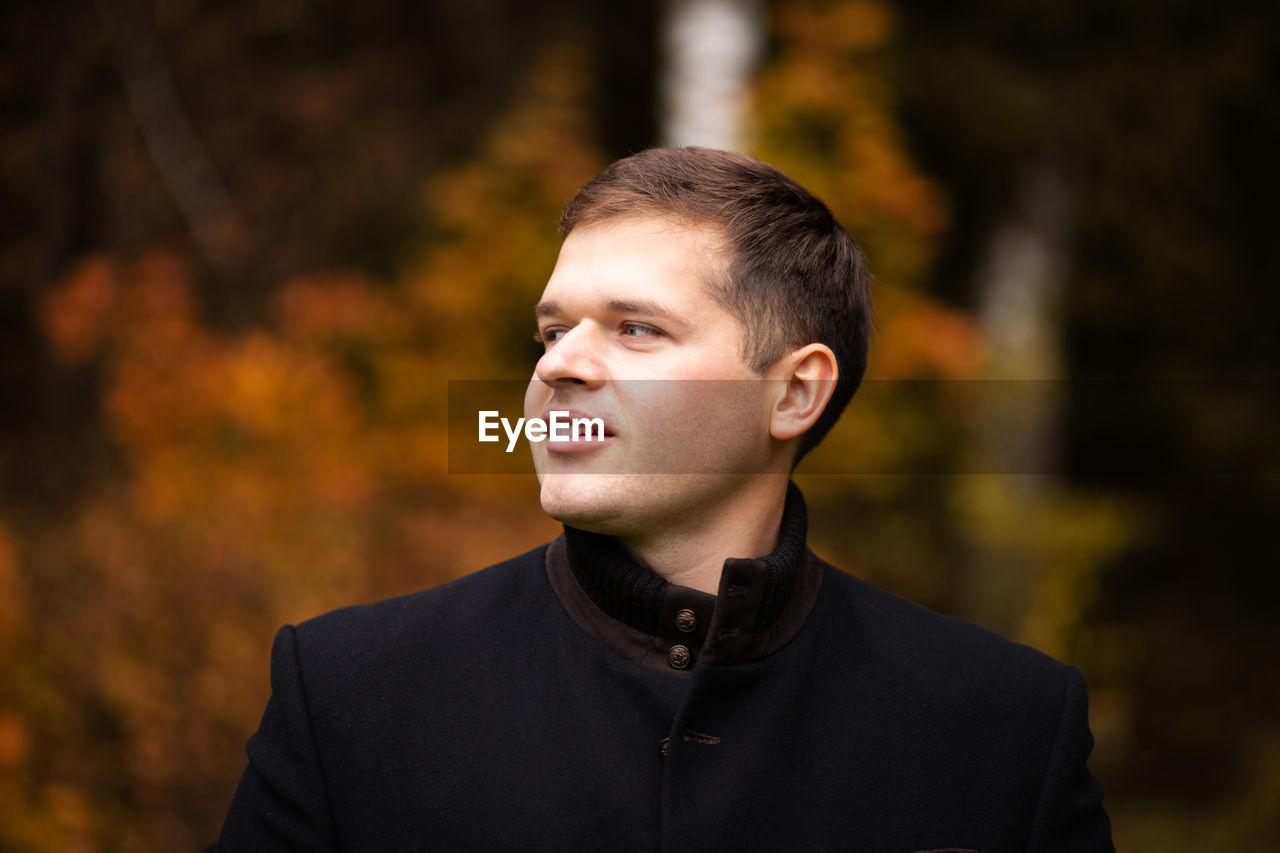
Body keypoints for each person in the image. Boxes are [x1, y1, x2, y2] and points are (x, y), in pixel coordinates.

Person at [211, 147, 1113, 851]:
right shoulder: (348, 694)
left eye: (637, 329)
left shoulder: (1004, 726)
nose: (558, 364)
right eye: (553, 330)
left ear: (795, 393)